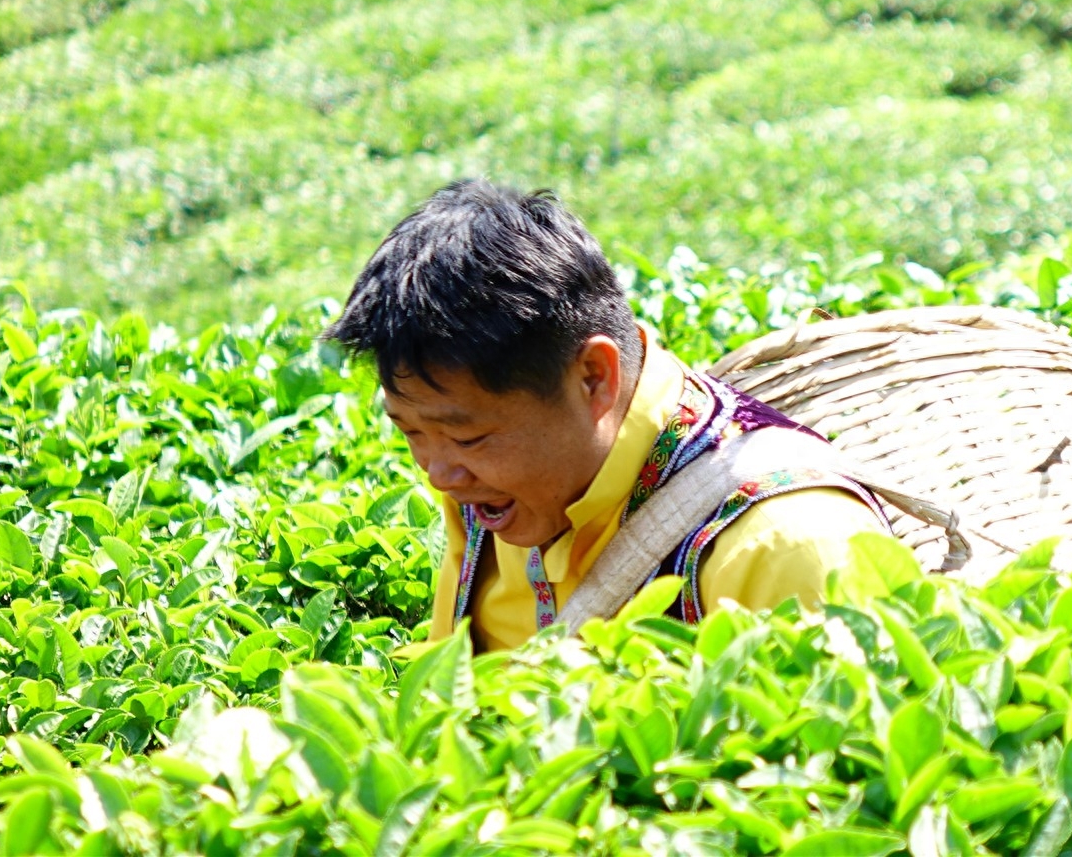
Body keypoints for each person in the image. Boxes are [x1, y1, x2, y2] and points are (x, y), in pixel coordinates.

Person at [322, 180, 892, 653]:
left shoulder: (791, 546)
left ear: (594, 377)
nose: (438, 473)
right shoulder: (491, 493)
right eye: (412, 433)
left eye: (466, 436)